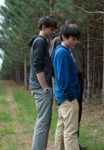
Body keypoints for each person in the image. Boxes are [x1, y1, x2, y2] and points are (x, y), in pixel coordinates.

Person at [49, 19, 85, 139]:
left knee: (68, 123)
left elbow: (81, 64)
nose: (75, 40)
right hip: (67, 90)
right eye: (73, 37)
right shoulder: (61, 50)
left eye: (76, 33)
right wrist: (69, 95)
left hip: (75, 82)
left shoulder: (77, 47)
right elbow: (58, 72)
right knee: (70, 130)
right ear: (64, 35)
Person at [28, 16, 57, 150]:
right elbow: (37, 66)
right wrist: (45, 88)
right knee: (43, 123)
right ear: (43, 27)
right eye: (51, 30)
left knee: (44, 122)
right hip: (41, 88)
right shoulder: (40, 42)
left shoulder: (40, 41)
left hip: (39, 87)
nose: (53, 33)